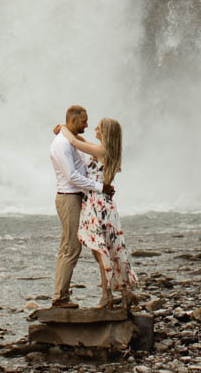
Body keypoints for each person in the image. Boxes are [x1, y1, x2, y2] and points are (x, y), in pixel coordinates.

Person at [55, 116, 139, 311]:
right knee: (109, 250)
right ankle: (124, 294)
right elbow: (84, 143)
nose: (94, 129)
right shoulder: (108, 151)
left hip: (97, 204)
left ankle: (107, 296)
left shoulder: (102, 151)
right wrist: (68, 131)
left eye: (99, 128)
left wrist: (63, 128)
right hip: (104, 204)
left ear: (106, 133)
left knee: (101, 252)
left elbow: (76, 142)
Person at [49, 104, 112, 308]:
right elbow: (72, 176)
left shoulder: (70, 142)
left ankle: (63, 295)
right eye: (84, 121)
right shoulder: (62, 145)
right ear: (74, 120)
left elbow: (81, 167)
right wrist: (99, 186)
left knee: (70, 246)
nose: (87, 124)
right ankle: (60, 298)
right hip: (69, 198)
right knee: (71, 247)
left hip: (77, 197)